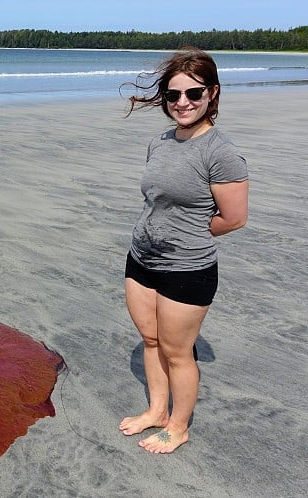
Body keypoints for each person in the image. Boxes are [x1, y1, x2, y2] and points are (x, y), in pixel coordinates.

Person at [119, 47, 249, 453]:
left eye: (193, 94)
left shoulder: (220, 152)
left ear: (212, 93)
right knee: (151, 340)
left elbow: (234, 218)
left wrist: (187, 233)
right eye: (173, 95)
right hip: (141, 259)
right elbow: (154, 200)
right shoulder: (160, 142)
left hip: (187, 268)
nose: (183, 103)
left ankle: (178, 426)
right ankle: (157, 411)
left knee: (178, 352)